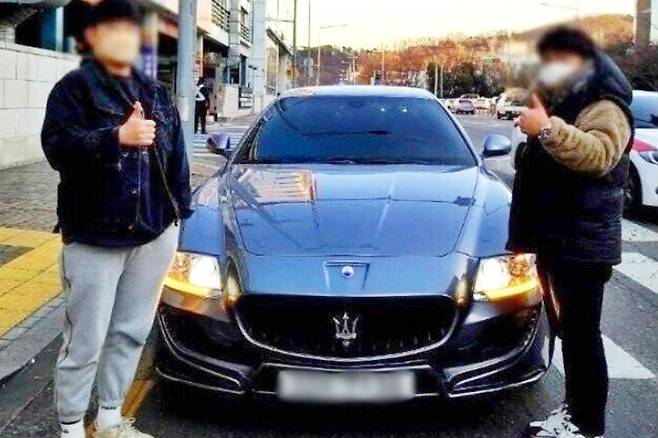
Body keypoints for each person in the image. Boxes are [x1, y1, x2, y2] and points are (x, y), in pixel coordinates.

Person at [41, 0, 193, 437]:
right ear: (91, 37)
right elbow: (58, 150)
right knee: (85, 339)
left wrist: (178, 218)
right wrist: (115, 138)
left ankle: (110, 417)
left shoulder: (156, 92)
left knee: (130, 332)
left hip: (154, 233)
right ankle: (71, 426)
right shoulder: (74, 90)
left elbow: (177, 161)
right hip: (95, 234)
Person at [509, 27, 633, 438]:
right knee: (571, 333)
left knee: (582, 336)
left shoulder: (606, 105)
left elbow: (599, 155)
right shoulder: (572, 101)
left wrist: (547, 129)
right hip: (559, 239)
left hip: (581, 243)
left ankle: (586, 424)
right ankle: (576, 411)